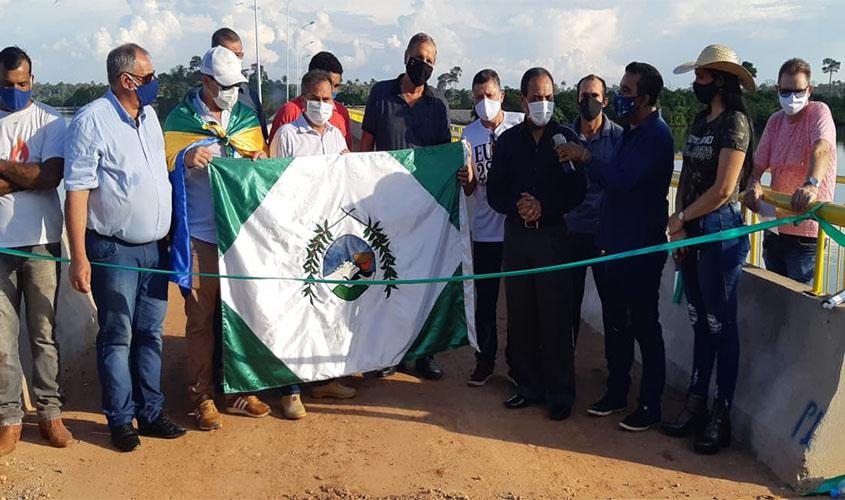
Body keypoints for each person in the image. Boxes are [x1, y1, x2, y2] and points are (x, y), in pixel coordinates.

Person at [64, 43, 186, 452]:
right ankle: (120, 419)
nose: (156, 84)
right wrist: (79, 257)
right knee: (118, 335)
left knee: (151, 333)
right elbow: (77, 191)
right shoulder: (92, 121)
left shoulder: (149, 117)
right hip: (114, 250)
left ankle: (151, 412)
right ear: (127, 80)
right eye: (149, 77)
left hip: (155, 248)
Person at [558, 62, 674, 431]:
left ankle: (650, 404)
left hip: (640, 246)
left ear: (646, 97)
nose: (622, 97)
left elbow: (622, 180)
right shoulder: (633, 133)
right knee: (618, 322)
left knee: (644, 325)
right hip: (616, 243)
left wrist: (587, 157)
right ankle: (617, 391)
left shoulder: (655, 136)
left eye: (626, 91)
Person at [163, 46, 271, 431]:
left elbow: (261, 161)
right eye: (224, 86)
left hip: (239, 236)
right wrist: (184, 160)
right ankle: (201, 396)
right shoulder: (180, 120)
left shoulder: (245, 119)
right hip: (200, 235)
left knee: (239, 313)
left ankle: (237, 388)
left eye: (236, 85)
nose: (231, 93)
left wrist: (259, 161)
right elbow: (162, 162)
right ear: (206, 81)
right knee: (200, 318)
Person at [660, 44, 754, 454]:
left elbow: (724, 189)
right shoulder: (701, 120)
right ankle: (696, 399)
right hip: (693, 232)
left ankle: (721, 412)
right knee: (699, 319)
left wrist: (683, 218)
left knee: (722, 323)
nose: (696, 83)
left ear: (721, 80)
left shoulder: (735, 123)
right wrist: (679, 225)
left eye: (702, 76)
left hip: (719, 233)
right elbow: (688, 178)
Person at [487, 67, 587, 421]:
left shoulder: (566, 139)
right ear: (523, 100)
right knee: (521, 313)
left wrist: (545, 207)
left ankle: (560, 393)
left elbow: (577, 190)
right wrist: (518, 205)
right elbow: (494, 191)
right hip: (518, 237)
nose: (543, 103)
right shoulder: (508, 142)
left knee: (556, 315)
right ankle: (527, 386)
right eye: (536, 97)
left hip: (553, 238)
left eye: (548, 97)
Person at [359, 33, 451, 380]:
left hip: (424, 207)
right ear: (405, 56)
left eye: (430, 61)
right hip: (384, 205)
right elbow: (366, 146)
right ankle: (388, 353)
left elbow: (443, 156)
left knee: (423, 280)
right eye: (418, 57)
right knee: (387, 277)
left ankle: (425, 353)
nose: (423, 65)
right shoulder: (381, 94)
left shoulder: (438, 105)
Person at [270, 69, 357, 419]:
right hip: (295, 234)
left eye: (327, 99)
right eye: (316, 99)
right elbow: (272, 184)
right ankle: (289, 388)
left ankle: (324, 378)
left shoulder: (337, 135)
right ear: (304, 99)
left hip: (329, 235)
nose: (322, 105)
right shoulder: (287, 135)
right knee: (295, 309)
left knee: (327, 305)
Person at [0, 46, 72, 456]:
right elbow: (36, 174)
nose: (16, 91)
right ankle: (9, 418)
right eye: (8, 85)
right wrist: (28, 175)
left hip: (42, 240)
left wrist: (5, 168)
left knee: (44, 333)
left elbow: (50, 176)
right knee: (2, 339)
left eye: (23, 83)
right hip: (1, 245)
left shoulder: (50, 120)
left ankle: (50, 412)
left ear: (33, 80)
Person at [744, 58, 837, 285]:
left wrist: (811, 184)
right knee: (775, 293)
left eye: (798, 91)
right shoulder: (775, 121)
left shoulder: (818, 112)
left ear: (809, 90)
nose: (791, 97)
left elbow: (821, 148)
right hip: (774, 226)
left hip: (806, 231)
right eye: (785, 91)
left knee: (801, 295)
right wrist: (754, 182)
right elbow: (758, 164)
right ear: (778, 90)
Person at [459, 68, 523, 386]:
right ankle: (484, 360)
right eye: (478, 97)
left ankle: (517, 362)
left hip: (517, 229)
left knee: (518, 300)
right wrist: (468, 177)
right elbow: (471, 188)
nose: (485, 102)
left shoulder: (520, 125)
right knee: (486, 300)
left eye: (490, 95)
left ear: (502, 96)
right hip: (485, 229)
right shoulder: (468, 135)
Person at [564, 74, 622, 347]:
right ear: (577, 99)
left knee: (614, 307)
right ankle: (565, 366)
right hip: (571, 231)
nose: (589, 101)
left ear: (605, 101)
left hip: (606, 235)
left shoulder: (620, 138)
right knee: (567, 308)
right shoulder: (564, 136)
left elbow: (620, 183)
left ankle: (615, 368)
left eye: (595, 96)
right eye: (584, 96)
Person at [269, 51, 352, 149]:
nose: (331, 90)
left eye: (336, 85)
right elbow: (275, 153)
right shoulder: (289, 112)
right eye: (327, 83)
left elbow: (346, 152)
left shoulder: (341, 113)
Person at [211, 28, 269, 143]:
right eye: (229, 55)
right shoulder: (195, 99)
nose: (234, 60)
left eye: (238, 55)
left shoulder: (250, 96)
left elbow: (261, 138)